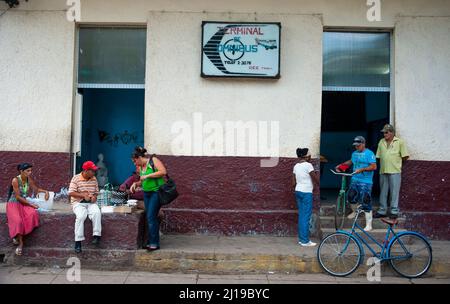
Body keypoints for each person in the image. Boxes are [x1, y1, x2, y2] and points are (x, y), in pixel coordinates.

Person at [6, 163, 50, 256]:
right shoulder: (15, 180)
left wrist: (46, 192)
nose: (30, 173)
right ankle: (21, 243)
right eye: (28, 171)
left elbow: (36, 189)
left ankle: (17, 237)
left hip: (23, 203)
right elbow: (18, 197)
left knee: (32, 214)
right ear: (21, 171)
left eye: (31, 170)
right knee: (18, 221)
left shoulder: (27, 179)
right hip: (13, 204)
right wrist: (31, 204)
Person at [335, 136, 377, 231]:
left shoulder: (369, 154)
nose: (356, 147)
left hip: (366, 182)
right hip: (354, 179)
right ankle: (354, 211)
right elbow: (350, 162)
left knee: (366, 200)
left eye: (358, 145)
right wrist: (341, 166)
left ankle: (369, 224)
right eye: (355, 146)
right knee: (351, 197)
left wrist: (362, 169)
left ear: (363, 144)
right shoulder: (354, 153)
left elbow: (374, 166)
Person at [130, 147, 167, 251]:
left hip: (156, 192)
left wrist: (147, 176)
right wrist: (136, 184)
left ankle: (154, 243)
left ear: (140, 157)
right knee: (150, 216)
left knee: (151, 216)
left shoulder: (153, 160)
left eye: (135, 161)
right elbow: (143, 180)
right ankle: (150, 241)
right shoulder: (141, 167)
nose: (134, 164)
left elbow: (163, 172)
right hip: (147, 194)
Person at [374, 124, 409, 219]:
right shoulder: (381, 142)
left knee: (394, 192)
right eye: (384, 133)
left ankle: (394, 211)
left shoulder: (400, 142)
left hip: (395, 171)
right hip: (383, 170)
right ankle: (382, 210)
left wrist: (396, 163)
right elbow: (378, 156)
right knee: (383, 192)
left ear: (392, 132)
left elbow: (405, 156)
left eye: (386, 132)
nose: (384, 134)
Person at [68, 161, 102, 253]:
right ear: (86, 171)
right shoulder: (76, 178)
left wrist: (94, 197)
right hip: (78, 203)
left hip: (90, 203)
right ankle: (78, 242)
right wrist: (83, 196)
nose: (94, 173)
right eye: (93, 171)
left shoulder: (94, 179)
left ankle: (96, 236)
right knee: (81, 216)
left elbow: (96, 192)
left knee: (96, 212)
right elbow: (71, 192)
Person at [293, 148, 320, 247]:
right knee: (306, 217)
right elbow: (316, 179)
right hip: (306, 193)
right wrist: (318, 178)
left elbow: (293, 182)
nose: (310, 156)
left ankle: (301, 239)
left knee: (301, 216)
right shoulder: (308, 165)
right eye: (310, 155)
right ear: (306, 156)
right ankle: (305, 241)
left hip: (298, 191)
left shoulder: (296, 166)